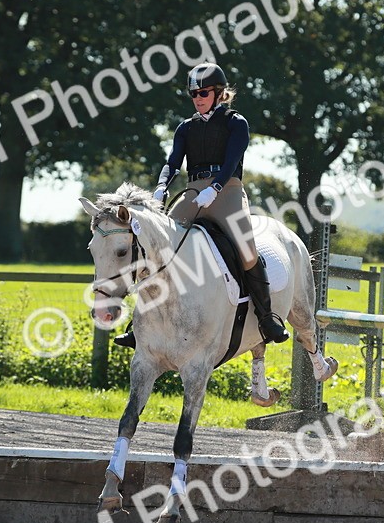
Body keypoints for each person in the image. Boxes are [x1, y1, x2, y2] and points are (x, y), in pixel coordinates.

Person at [114, 63, 289, 348]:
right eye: (193, 93)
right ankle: (140, 323)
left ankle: (267, 318)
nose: (198, 98)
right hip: (193, 192)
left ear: (219, 93)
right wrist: (162, 186)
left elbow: (232, 162)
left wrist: (215, 187)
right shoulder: (186, 127)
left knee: (246, 252)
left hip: (227, 190)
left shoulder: (236, 123)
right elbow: (173, 162)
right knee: (159, 245)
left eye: (203, 92)